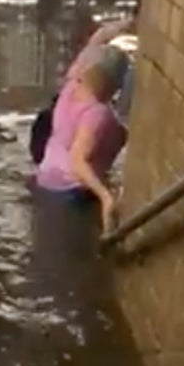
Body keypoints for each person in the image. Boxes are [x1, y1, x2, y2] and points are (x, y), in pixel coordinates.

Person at [35, 40, 131, 235]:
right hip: (72, 191)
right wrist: (106, 197)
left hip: (45, 178)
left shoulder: (69, 89)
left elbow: (88, 53)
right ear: (115, 83)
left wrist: (109, 33)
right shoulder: (97, 114)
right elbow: (78, 160)